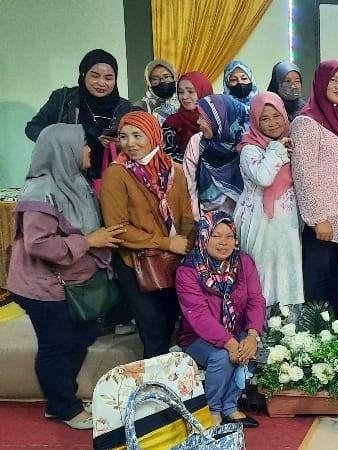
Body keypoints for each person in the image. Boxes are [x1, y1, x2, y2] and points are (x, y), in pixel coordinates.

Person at [7, 124, 125, 430]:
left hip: (70, 281)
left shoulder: (74, 181)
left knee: (81, 335)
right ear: (63, 150)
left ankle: (61, 398)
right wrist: (89, 241)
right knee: (56, 344)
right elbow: (39, 244)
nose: (89, 150)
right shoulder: (41, 190)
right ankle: (62, 407)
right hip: (40, 286)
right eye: (84, 145)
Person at [101, 111, 196, 358]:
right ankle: (153, 392)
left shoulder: (174, 170)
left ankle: (164, 389)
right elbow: (118, 229)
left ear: (153, 135)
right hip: (136, 263)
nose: (129, 143)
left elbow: (186, 214)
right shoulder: (116, 173)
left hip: (174, 261)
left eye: (137, 135)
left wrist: (185, 247)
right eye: (123, 137)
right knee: (152, 329)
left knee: (168, 327)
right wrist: (167, 243)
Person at [176, 211, 264, 428]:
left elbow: (255, 300)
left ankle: (230, 406)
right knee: (223, 357)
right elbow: (199, 316)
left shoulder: (244, 262)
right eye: (216, 236)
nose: (223, 243)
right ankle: (211, 410)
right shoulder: (188, 270)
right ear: (204, 237)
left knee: (256, 351)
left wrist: (252, 336)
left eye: (228, 236)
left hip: (238, 329)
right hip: (197, 337)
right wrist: (232, 344)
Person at [291, 60, 338, 311]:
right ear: (320, 82)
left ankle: (334, 342)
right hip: (323, 220)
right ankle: (315, 340)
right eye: (333, 80)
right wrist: (317, 217)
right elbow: (303, 174)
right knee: (318, 289)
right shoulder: (306, 123)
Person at [234, 92, 304, 307]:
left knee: (288, 268)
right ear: (255, 120)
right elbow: (264, 177)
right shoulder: (249, 148)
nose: (272, 123)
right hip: (259, 220)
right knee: (262, 271)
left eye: (276, 116)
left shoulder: (293, 141)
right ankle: (260, 324)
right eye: (264, 118)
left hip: (288, 221)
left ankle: (288, 327)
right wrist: (277, 148)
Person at [25, 49, 136, 180]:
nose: (101, 83)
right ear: (83, 75)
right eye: (94, 76)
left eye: (108, 78)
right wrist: (68, 143)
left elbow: (143, 143)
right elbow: (32, 128)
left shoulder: (126, 108)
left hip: (112, 181)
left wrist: (123, 142)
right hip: (67, 180)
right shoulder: (63, 99)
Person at [183, 94, 248, 217]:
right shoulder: (197, 142)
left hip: (244, 218)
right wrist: (199, 220)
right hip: (209, 219)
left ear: (219, 119)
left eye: (202, 118)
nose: (198, 122)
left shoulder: (245, 144)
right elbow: (189, 186)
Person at [162, 72, 214, 162]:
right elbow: (168, 157)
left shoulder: (217, 119)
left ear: (203, 91)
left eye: (190, 91)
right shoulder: (172, 123)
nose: (184, 97)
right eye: (180, 92)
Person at [135, 59, 179, 124]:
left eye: (166, 77)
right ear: (149, 82)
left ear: (174, 78)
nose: (162, 81)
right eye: (155, 79)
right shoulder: (140, 107)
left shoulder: (184, 102)